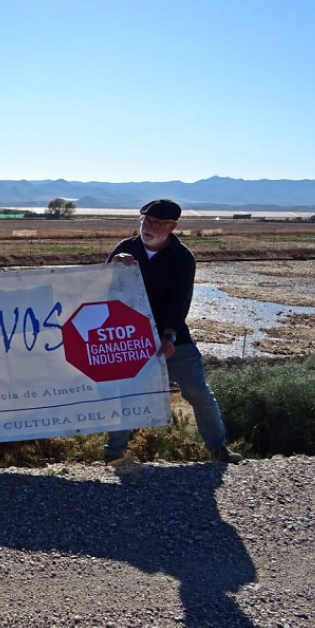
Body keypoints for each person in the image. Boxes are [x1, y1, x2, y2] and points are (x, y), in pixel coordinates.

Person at [106, 199, 242, 464]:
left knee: (198, 392)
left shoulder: (182, 257)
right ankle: (113, 455)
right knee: (126, 394)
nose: (149, 227)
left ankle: (218, 449)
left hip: (173, 338)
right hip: (132, 339)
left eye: (157, 223)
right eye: (146, 221)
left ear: (172, 227)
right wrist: (113, 266)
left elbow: (181, 300)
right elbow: (103, 287)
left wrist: (169, 335)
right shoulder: (126, 248)